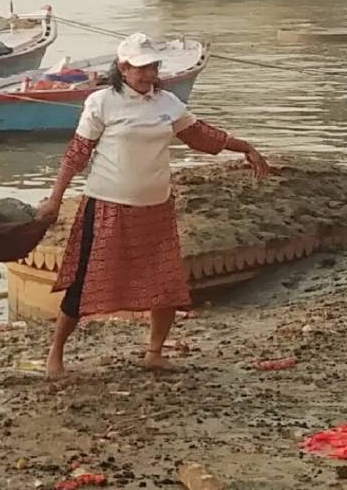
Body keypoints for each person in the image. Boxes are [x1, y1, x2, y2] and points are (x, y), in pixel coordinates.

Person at [36, 33, 269, 379]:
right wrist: (55, 198)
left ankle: (154, 353)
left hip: (155, 206)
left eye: (153, 67)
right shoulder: (102, 102)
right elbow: (77, 153)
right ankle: (56, 355)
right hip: (107, 205)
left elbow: (199, 135)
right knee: (84, 282)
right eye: (141, 68)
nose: (149, 75)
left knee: (166, 282)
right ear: (122, 68)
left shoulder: (167, 103)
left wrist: (244, 146)